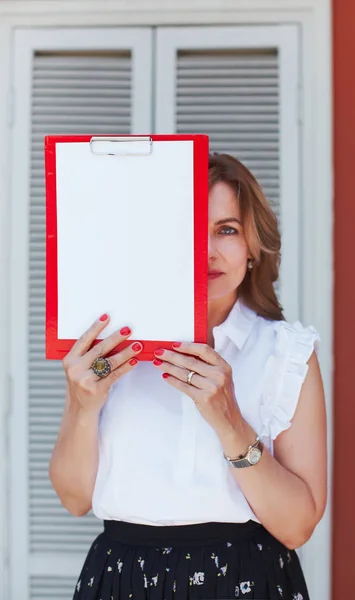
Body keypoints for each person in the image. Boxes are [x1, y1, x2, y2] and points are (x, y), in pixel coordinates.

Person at [49, 153, 327, 600]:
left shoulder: (288, 353)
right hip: (122, 580)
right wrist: (83, 407)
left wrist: (229, 421)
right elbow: (74, 499)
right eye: (189, 230)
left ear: (254, 247)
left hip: (245, 582)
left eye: (227, 229)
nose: (208, 250)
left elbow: (297, 527)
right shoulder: (108, 348)